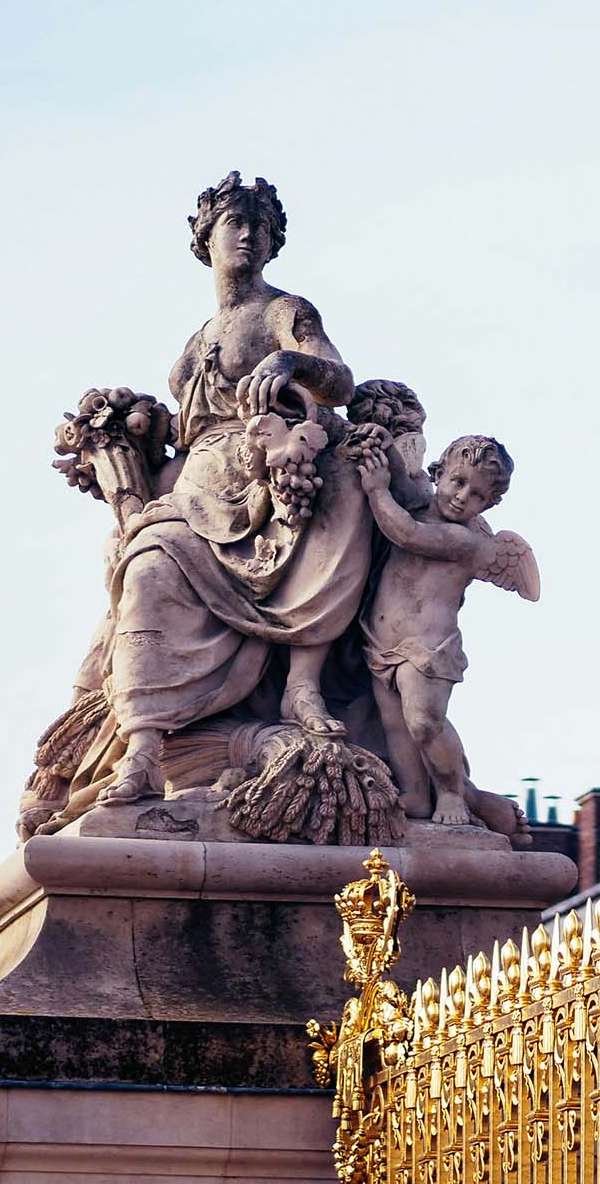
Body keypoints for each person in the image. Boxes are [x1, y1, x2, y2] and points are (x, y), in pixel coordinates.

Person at [97, 172, 374, 804]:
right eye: (235, 223)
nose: (249, 236)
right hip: (195, 486)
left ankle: (294, 688)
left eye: (262, 227)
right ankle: (143, 751)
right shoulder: (196, 342)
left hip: (263, 476)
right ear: (207, 238)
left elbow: (339, 381)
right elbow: (183, 439)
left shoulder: (285, 312)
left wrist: (290, 360)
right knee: (146, 570)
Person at [357, 436, 539, 826]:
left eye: (477, 495)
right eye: (458, 482)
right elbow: (406, 487)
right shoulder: (420, 505)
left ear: (488, 505)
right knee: (395, 725)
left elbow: (407, 534)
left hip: (429, 650)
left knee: (425, 722)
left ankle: (453, 793)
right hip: (381, 641)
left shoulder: (465, 540)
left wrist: (376, 491)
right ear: (438, 474)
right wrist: (383, 447)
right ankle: (415, 794)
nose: (461, 497)